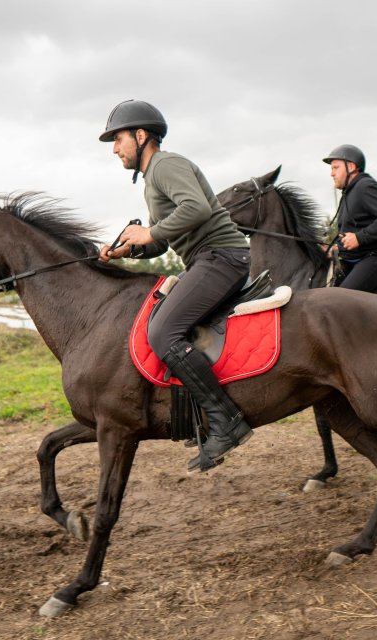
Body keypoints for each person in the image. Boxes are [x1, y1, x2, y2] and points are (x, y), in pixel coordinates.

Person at [97, 99, 253, 473]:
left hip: (222, 257)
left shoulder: (166, 165)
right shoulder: (152, 180)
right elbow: (165, 241)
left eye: (117, 139)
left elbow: (197, 208)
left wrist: (148, 230)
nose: (115, 149)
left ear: (140, 135)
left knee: (164, 331)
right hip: (208, 260)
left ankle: (227, 421)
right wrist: (129, 249)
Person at [322, 145, 377, 291]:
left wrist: (359, 238)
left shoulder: (365, 186)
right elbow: (353, 229)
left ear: (351, 166)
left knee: (341, 298)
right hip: (360, 258)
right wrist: (337, 247)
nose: (331, 173)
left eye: (335, 168)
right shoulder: (349, 193)